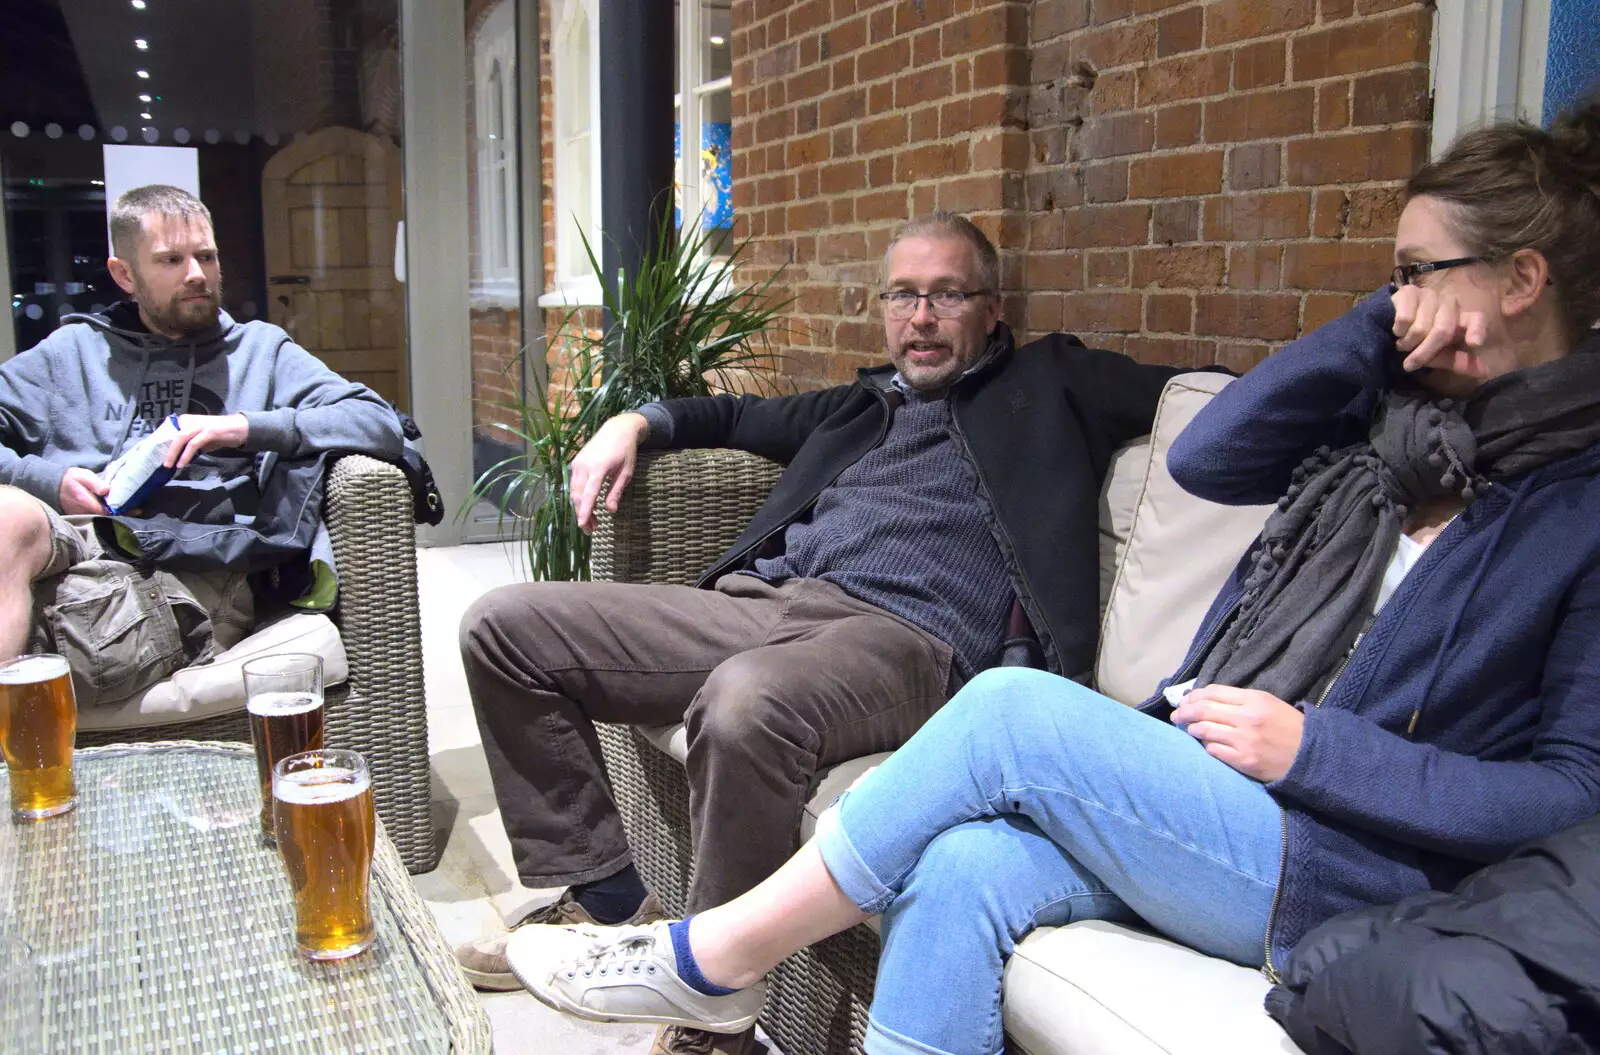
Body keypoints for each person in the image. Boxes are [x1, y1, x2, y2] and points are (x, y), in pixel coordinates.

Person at [509, 99, 1600, 1055]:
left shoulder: (1578, 507)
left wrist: (1319, 748)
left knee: (1013, 712)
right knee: (962, 865)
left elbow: (1573, 795)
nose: (1397, 298)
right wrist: (1379, 318)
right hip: (1225, 792)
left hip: (1353, 855)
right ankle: (701, 948)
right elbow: (1210, 454)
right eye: (1391, 277)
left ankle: (720, 955)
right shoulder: (1396, 437)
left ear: (1520, 281)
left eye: (1412, 274)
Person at [454, 212, 1191, 1053]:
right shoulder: (859, 404)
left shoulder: (1057, 380)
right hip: (767, 604)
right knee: (504, 628)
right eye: (904, 295)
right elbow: (727, 419)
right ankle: (611, 902)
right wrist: (635, 422)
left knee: (745, 703)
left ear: (992, 308)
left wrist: (1369, 360)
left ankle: (710, 1011)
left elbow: (1210, 394)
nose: (921, 317)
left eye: (947, 294)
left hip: (910, 640)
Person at [0, 184, 403, 704]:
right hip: (73, 540)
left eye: (205, 256)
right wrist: (49, 482)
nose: (196, 274)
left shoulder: (261, 352)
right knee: (9, 514)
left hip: (186, 564)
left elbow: (379, 423)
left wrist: (242, 427)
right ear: (125, 274)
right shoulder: (70, 353)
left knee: (62, 621)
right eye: (171, 260)